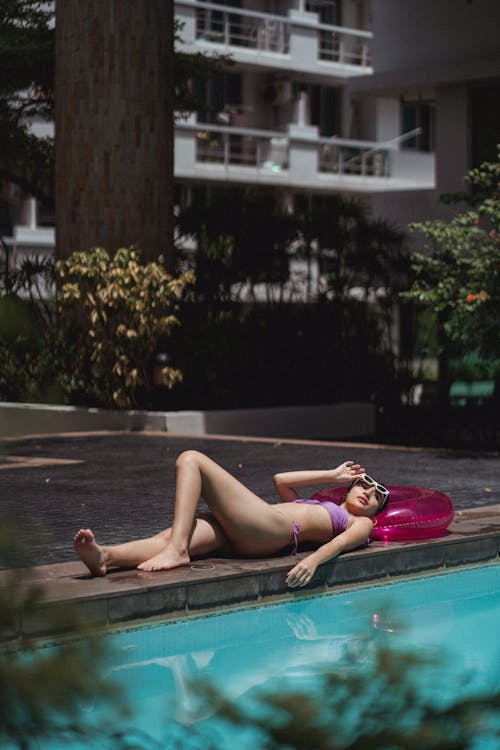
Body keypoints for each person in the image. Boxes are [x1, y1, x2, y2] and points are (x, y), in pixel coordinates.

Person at [73, 449, 389, 589]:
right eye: (364, 483)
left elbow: (340, 545)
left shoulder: (360, 524)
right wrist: (331, 473)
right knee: (169, 538)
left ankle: (178, 550)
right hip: (256, 526)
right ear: (347, 487)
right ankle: (106, 557)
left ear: (376, 511)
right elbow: (282, 480)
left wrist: (313, 562)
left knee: (191, 459)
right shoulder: (318, 503)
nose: (368, 493)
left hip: (275, 532)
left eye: (377, 496)